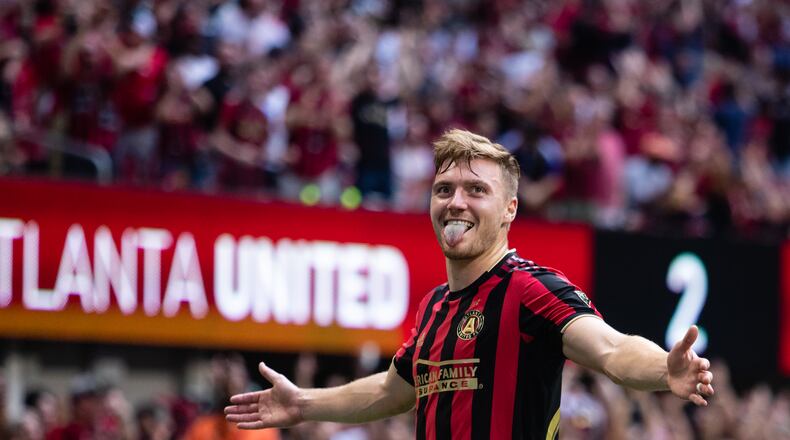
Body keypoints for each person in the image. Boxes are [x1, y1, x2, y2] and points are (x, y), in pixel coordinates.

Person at [224, 129, 715, 439]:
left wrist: (661, 369)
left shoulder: (530, 288)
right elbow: (395, 390)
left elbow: (609, 348)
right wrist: (304, 403)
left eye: (476, 190)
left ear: (509, 210)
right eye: (444, 190)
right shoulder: (434, 306)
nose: (456, 202)